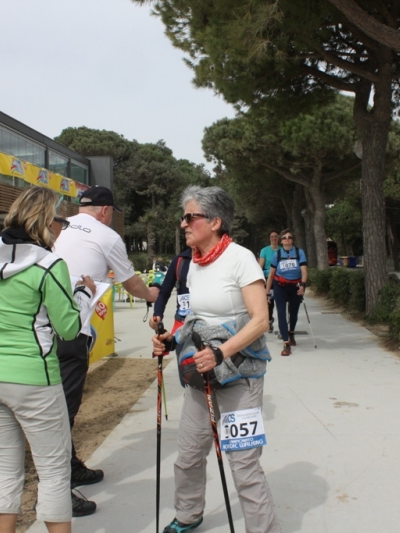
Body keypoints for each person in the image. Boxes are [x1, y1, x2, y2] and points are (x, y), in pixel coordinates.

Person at [152, 185, 281, 533]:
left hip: (240, 377)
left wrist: (222, 351)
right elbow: (196, 318)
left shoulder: (240, 258)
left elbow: (260, 320)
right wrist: (172, 338)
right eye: (184, 217)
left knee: (244, 466)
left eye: (190, 217)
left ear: (215, 221)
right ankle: (188, 516)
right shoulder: (193, 263)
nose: (183, 224)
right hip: (202, 377)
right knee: (189, 457)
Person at [0, 186, 96, 532]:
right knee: (54, 471)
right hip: (33, 377)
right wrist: (85, 294)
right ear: (45, 220)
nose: (63, 229)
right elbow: (69, 328)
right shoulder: (49, 264)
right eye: (62, 222)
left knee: (6, 467)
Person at [53, 185, 159, 510]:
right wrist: (153, 296)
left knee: (57, 403)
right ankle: (60, 491)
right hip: (71, 328)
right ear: (106, 211)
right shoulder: (107, 235)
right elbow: (130, 282)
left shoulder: (61, 228)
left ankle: (70, 467)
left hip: (41, 327)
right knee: (63, 409)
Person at [265, 229, 308, 356]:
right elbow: (271, 275)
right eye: (284, 237)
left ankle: (291, 333)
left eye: (289, 237)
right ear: (281, 240)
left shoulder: (299, 253)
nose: (287, 239)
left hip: (295, 286)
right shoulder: (277, 254)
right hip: (280, 287)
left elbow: (304, 271)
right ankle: (286, 343)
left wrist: (303, 285)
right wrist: (267, 293)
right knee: (281, 314)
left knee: (293, 313)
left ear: (292, 240)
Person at [149, 247, 193, 335]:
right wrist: (157, 315)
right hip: (182, 321)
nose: (187, 233)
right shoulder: (180, 260)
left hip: (210, 323)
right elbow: (164, 292)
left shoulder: (221, 259)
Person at [258, 231, 280, 334]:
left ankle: (282, 325)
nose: (274, 238)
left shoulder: (282, 250)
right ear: (269, 238)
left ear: (278, 238)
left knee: (280, 302)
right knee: (269, 302)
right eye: (272, 236)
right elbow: (260, 266)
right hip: (268, 278)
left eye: (276, 236)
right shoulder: (264, 250)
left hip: (280, 278)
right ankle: (269, 320)